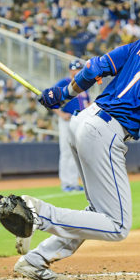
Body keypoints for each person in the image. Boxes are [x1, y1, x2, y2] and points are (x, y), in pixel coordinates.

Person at [12, 7, 140, 280]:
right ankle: (37, 213)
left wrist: (64, 94)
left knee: (98, 212)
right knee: (117, 226)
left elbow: (95, 68)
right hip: (106, 133)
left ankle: (35, 260)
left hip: (84, 120)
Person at [55, 60, 90, 192]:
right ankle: (66, 183)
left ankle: (74, 182)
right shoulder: (64, 83)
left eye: (78, 69)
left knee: (76, 151)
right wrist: (60, 113)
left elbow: (87, 102)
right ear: (70, 70)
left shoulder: (84, 84)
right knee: (66, 151)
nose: (76, 71)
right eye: (74, 69)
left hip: (79, 120)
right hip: (67, 120)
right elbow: (50, 98)